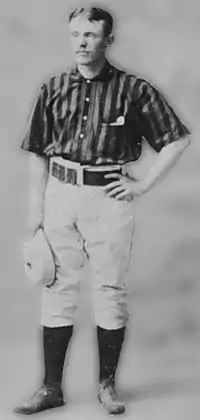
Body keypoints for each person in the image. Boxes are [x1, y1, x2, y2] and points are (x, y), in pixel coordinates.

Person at [14, 6, 191, 416]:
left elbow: (176, 139)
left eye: (91, 36)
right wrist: (35, 209)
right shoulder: (53, 87)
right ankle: (51, 387)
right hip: (61, 194)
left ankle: (106, 387)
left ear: (108, 40)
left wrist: (142, 184)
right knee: (56, 289)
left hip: (108, 200)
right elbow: (38, 152)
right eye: (75, 34)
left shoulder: (133, 90)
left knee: (110, 290)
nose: (81, 42)